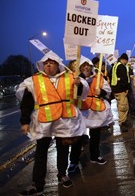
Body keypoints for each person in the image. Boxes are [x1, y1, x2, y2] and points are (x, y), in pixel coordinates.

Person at [16, 51, 89, 195]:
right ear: (42, 65)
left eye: (52, 63)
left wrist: (78, 85)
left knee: (63, 150)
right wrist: (24, 121)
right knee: (41, 152)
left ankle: (62, 175)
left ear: (58, 65)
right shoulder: (34, 80)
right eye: (46, 63)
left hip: (64, 121)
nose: (48, 66)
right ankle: (37, 184)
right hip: (44, 122)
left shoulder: (70, 77)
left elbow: (80, 94)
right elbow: (26, 102)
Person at [68, 55, 113, 172]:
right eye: (83, 65)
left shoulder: (99, 77)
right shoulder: (75, 78)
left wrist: (101, 92)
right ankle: (73, 161)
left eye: (88, 65)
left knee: (95, 136)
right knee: (78, 136)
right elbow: (71, 93)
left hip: (95, 110)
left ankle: (95, 156)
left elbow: (108, 91)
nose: (86, 67)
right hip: (81, 109)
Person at [111, 53, 130, 132]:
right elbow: (124, 79)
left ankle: (122, 122)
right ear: (124, 59)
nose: (126, 62)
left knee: (120, 106)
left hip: (116, 89)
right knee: (123, 107)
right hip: (121, 89)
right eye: (126, 60)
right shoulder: (121, 66)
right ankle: (122, 123)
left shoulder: (115, 65)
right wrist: (126, 88)